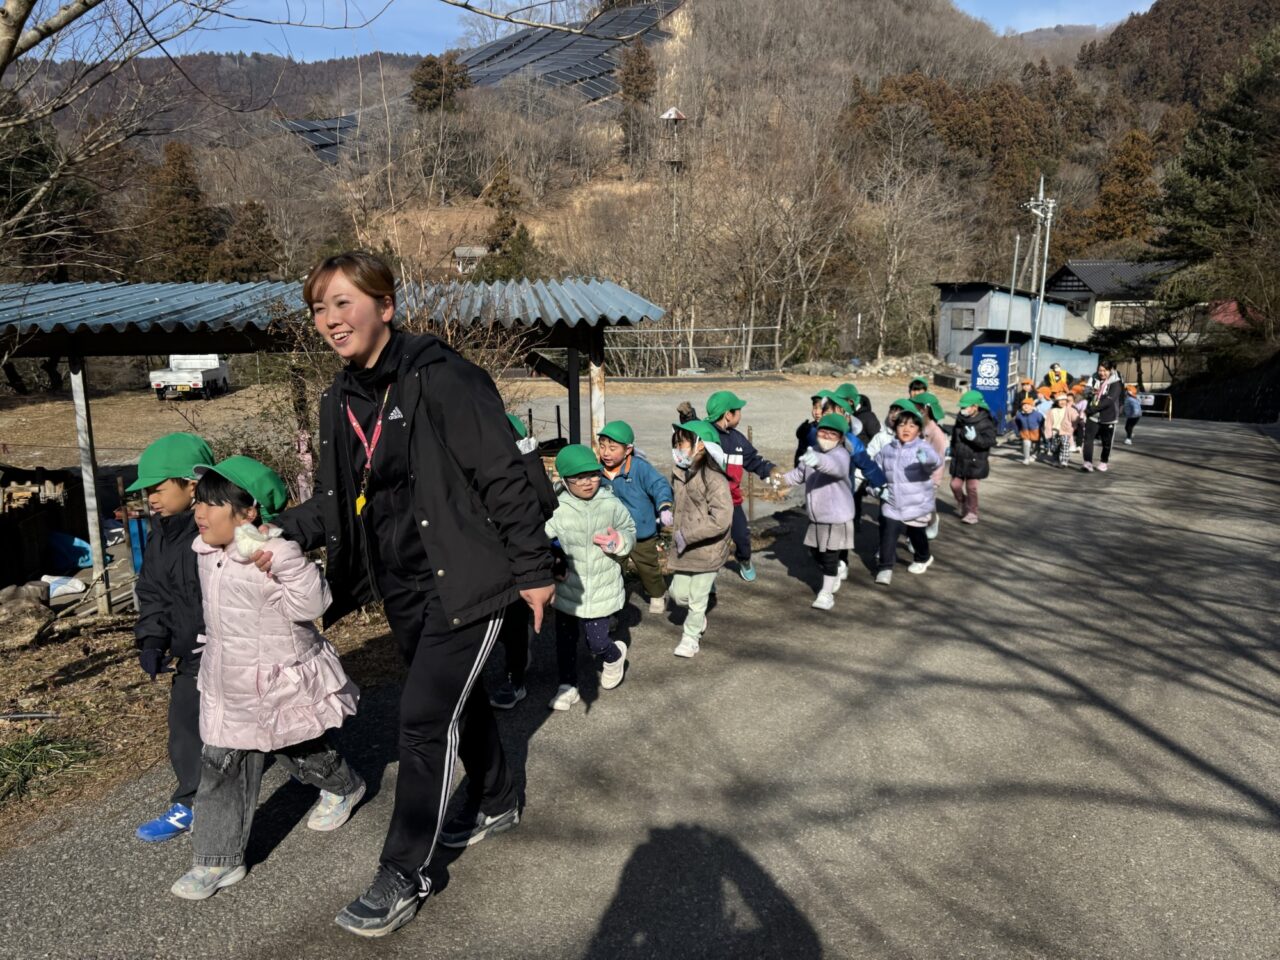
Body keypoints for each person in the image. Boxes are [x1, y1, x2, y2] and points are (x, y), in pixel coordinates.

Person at [261, 251, 554, 938]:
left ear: (385, 307)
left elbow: (504, 476)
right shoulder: (340, 398)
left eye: (343, 304)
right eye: (319, 308)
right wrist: (269, 532)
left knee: (423, 722)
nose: (330, 320)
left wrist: (534, 570)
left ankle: (404, 871)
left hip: (471, 581)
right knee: (457, 702)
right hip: (402, 588)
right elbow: (334, 505)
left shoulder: (442, 378)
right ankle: (497, 797)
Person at [171, 457, 362, 901]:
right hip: (228, 680)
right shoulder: (206, 552)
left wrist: (284, 564)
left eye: (213, 504)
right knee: (220, 764)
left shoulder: (275, 553)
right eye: (199, 501)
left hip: (276, 679)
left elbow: (311, 606)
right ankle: (217, 862)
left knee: (298, 749)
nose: (200, 512)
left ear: (250, 512)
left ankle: (344, 786)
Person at [129, 433, 216, 843]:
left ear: (192, 484)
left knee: (280, 728)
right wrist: (151, 640)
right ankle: (191, 803)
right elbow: (154, 592)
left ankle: (333, 779)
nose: (151, 499)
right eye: (148, 491)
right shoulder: (159, 534)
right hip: (192, 653)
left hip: (235, 647)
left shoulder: (217, 526)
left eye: (158, 488)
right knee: (184, 723)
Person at [544, 445, 636, 711]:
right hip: (568, 590)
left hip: (601, 589)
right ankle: (567, 685)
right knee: (565, 642)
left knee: (596, 641)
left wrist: (619, 541)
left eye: (593, 475)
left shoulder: (609, 503)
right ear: (564, 480)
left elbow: (629, 529)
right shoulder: (557, 507)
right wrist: (552, 561)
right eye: (578, 477)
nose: (588, 482)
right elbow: (541, 539)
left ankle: (614, 655)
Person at [490, 413, 559, 711]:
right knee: (493, 627)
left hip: (516, 558)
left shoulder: (521, 458)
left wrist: (529, 458)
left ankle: (514, 678)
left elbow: (546, 504)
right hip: (480, 556)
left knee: (513, 622)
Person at [667, 420, 733, 658]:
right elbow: (680, 505)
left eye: (682, 443)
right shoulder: (678, 472)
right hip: (684, 548)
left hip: (707, 549)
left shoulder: (714, 478)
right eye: (676, 444)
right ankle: (699, 616)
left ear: (701, 445)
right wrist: (667, 514)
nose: (677, 449)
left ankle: (691, 637)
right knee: (677, 594)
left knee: (697, 598)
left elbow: (721, 519)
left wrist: (688, 534)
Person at [595, 419, 672, 618]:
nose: (606, 453)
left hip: (641, 532)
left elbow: (659, 485)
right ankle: (610, 609)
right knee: (612, 570)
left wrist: (664, 505)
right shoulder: (597, 471)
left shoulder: (639, 468)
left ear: (628, 450)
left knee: (648, 567)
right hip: (614, 532)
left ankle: (657, 594)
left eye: (613, 448)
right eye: (602, 446)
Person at [781, 413, 855, 610]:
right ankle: (838, 567)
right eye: (823, 431)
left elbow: (835, 468)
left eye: (833, 433)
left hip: (836, 516)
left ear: (840, 438)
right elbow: (799, 474)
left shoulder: (841, 455)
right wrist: (780, 479)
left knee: (829, 556)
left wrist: (817, 461)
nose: (827, 436)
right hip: (817, 516)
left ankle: (826, 593)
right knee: (816, 553)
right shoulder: (812, 451)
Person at [706, 390, 778, 583]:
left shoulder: (738, 440)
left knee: (742, 537)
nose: (740, 414)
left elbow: (754, 460)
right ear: (729, 414)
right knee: (711, 542)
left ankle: (744, 559)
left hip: (732, 500)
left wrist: (770, 471)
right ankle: (707, 579)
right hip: (708, 502)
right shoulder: (705, 435)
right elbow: (688, 438)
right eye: (738, 410)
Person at [873, 400, 942, 584]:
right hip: (893, 502)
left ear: (919, 430)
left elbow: (935, 461)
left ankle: (923, 557)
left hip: (916, 503)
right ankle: (885, 567)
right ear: (895, 428)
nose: (906, 429)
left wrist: (925, 459)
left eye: (912, 425)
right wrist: (876, 487)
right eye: (902, 424)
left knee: (916, 534)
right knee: (889, 530)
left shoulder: (922, 447)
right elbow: (876, 468)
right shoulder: (887, 449)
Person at [949, 390, 997, 525]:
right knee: (954, 485)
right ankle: (963, 503)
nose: (962, 409)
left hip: (975, 461)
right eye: (961, 407)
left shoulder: (986, 422)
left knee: (972, 488)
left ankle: (972, 512)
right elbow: (954, 437)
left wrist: (975, 438)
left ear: (975, 407)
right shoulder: (960, 420)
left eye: (965, 407)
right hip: (959, 459)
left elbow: (989, 441)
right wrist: (951, 449)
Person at [912, 392, 948, 540]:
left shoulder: (937, 434)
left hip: (930, 477)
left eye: (916, 406)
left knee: (927, 505)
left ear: (924, 409)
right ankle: (914, 532)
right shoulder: (916, 427)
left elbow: (939, 459)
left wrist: (932, 476)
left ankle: (932, 522)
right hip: (914, 473)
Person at [1083, 361, 1124, 472]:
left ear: (1110, 370)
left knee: (1106, 442)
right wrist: (1092, 392)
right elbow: (1086, 392)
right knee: (1088, 439)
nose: (1102, 373)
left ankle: (1103, 462)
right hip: (1093, 415)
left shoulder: (1116, 382)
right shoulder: (1093, 378)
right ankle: (1087, 462)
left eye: (1104, 371)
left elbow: (1109, 401)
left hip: (1108, 416)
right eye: (1100, 370)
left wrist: (1089, 409)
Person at [1043, 391, 1079, 468]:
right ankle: (1056, 460)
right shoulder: (1052, 411)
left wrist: (1077, 419)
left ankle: (1064, 461)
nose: (1062, 402)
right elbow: (1048, 422)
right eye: (1060, 400)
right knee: (1055, 447)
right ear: (1056, 402)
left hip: (1065, 431)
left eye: (1064, 400)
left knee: (1065, 445)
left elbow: (1075, 416)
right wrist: (1048, 432)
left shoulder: (1070, 409)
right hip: (1055, 431)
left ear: (1066, 401)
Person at [794, 393, 824, 467]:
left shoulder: (833, 431)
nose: (817, 412)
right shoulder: (807, 429)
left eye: (821, 408)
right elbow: (800, 453)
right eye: (815, 408)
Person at [1014, 397, 1045, 465]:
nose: (1025, 406)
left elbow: (1042, 423)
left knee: (1035, 446)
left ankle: (1034, 454)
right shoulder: (1019, 415)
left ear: (1032, 406)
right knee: (1026, 444)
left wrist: (1043, 432)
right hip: (1025, 433)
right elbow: (1017, 423)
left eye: (1028, 405)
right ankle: (1026, 458)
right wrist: (1018, 431)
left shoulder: (1038, 415)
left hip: (1036, 433)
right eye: (1024, 405)